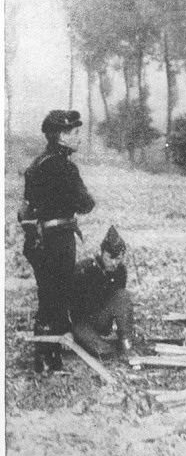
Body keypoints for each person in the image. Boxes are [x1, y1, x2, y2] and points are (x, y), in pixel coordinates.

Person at [19, 109, 95, 372]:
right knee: (58, 296)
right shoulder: (65, 167)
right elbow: (86, 204)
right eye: (75, 132)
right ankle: (49, 357)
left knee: (47, 295)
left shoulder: (36, 165)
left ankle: (46, 355)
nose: (79, 137)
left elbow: (27, 207)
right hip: (59, 239)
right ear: (61, 136)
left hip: (37, 240)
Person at [70, 225, 133, 357]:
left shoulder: (120, 272)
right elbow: (67, 303)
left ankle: (125, 341)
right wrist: (66, 330)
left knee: (123, 296)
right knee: (104, 351)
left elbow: (118, 302)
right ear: (102, 252)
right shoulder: (85, 270)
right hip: (82, 324)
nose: (114, 263)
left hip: (101, 319)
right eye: (110, 258)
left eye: (118, 258)